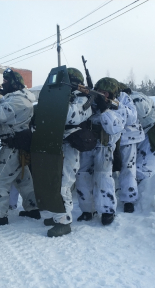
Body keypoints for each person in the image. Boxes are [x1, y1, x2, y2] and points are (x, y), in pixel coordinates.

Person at [0, 68, 40, 226]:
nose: (2, 84)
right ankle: (33, 208)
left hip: (13, 145)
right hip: (17, 144)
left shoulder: (18, 101)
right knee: (23, 180)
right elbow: (5, 106)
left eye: (6, 82)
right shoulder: (18, 98)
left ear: (14, 84)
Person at [42, 68, 93, 237]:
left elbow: (71, 116)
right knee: (50, 181)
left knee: (63, 183)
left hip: (69, 146)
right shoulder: (62, 96)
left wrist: (62, 100)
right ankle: (54, 214)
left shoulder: (84, 99)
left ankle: (64, 220)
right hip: (53, 143)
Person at [75, 77, 125, 226]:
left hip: (104, 147)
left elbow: (113, 128)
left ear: (111, 95)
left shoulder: (118, 107)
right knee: (82, 176)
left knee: (103, 179)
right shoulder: (90, 103)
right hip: (87, 145)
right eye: (99, 91)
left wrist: (105, 109)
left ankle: (107, 210)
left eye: (105, 93)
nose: (102, 95)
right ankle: (87, 210)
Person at [116, 83, 145, 213]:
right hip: (109, 138)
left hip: (128, 137)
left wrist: (115, 104)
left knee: (128, 168)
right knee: (105, 170)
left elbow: (132, 117)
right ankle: (107, 199)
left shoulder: (125, 98)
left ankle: (129, 199)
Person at [129, 91, 155, 184]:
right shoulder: (136, 96)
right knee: (139, 162)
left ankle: (143, 190)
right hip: (144, 132)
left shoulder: (135, 98)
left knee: (144, 165)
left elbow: (142, 111)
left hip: (152, 132)